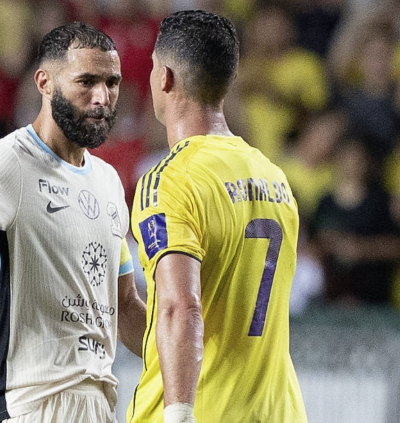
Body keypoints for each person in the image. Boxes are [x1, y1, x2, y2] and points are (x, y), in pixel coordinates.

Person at [0, 22, 146, 423]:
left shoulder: (108, 183)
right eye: (86, 81)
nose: (102, 97)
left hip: (97, 408)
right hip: (24, 406)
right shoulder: (9, 161)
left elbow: (123, 306)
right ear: (44, 83)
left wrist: (186, 350)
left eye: (112, 83)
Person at [127, 10, 308, 423]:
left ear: (165, 77)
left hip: (205, 410)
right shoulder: (274, 177)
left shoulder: (170, 179)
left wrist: (179, 413)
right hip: (277, 412)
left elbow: (180, 307)